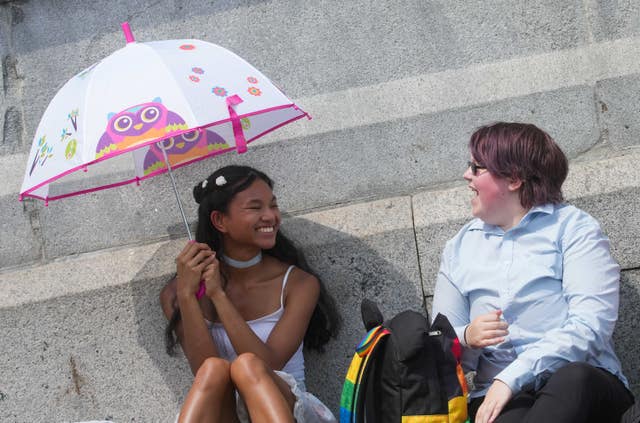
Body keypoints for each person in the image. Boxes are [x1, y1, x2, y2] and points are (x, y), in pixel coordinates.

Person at [432, 122, 635, 423]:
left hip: (581, 380)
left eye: (477, 168)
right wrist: (468, 336)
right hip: (496, 393)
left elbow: (591, 325)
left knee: (573, 381)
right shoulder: (459, 248)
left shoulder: (574, 230)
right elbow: (439, 340)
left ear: (513, 179)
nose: (466, 175)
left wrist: (512, 377)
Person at [160, 165, 340, 423]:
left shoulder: (299, 284)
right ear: (220, 221)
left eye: (273, 206)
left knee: (247, 366)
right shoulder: (176, 294)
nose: (270, 216)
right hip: (225, 415)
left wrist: (219, 297)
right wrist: (188, 295)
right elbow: (204, 372)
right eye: (255, 208)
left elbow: (270, 365)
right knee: (213, 370)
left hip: (283, 407)